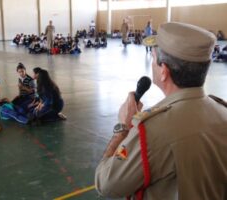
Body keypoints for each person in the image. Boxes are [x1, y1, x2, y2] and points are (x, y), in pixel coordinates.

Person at [95, 22, 227, 199]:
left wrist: (122, 128)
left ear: (164, 71)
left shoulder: (152, 131)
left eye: (153, 58)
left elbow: (106, 183)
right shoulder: (222, 112)